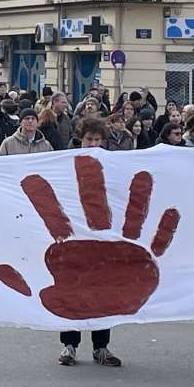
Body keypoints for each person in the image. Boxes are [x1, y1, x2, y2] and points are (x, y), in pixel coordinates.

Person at [58, 117, 121, 367]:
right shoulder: (66, 164)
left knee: (102, 293)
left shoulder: (114, 166)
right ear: (80, 140)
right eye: (88, 140)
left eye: (97, 140)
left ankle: (101, 346)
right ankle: (69, 345)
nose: (93, 144)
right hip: (74, 238)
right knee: (71, 292)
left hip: (103, 240)